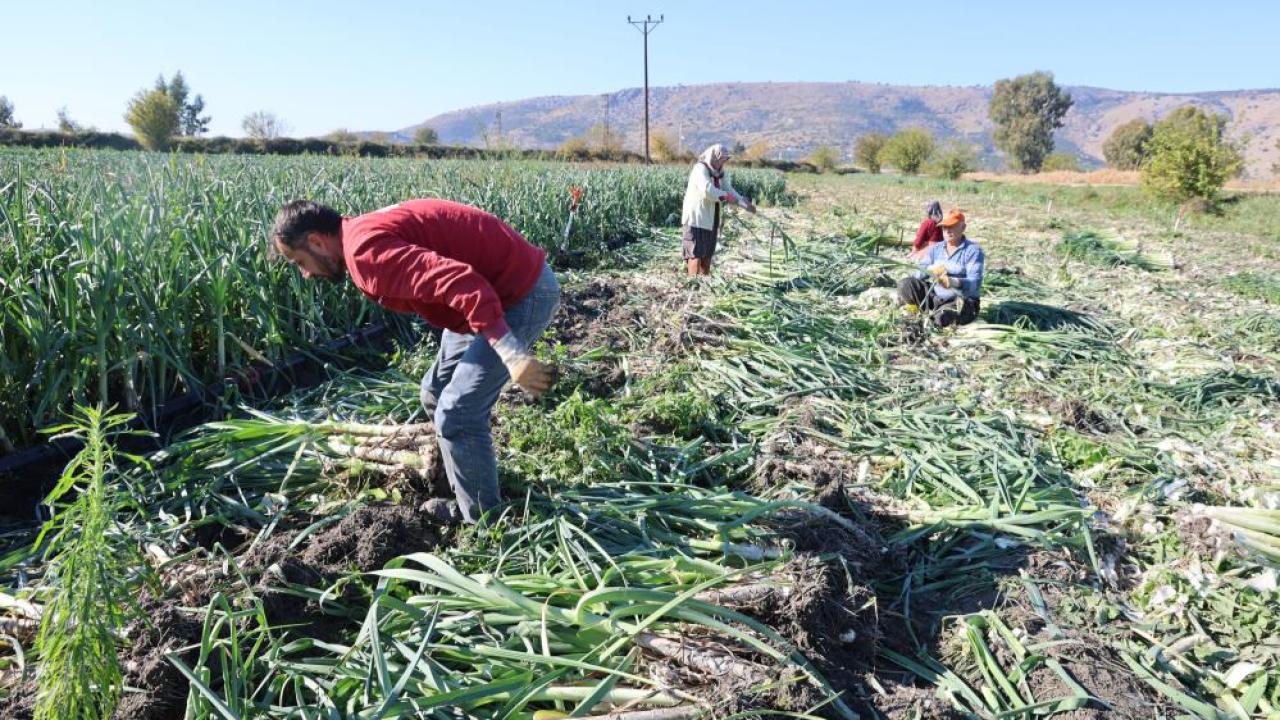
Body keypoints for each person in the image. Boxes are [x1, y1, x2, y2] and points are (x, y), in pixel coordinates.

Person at [268, 199, 561, 523]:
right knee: (434, 392)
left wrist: (511, 354)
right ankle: (465, 484)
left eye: (299, 261)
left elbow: (463, 283)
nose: (306, 274)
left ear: (316, 241)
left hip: (518, 293)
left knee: (458, 413)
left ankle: (485, 523)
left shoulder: (364, 253)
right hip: (482, 298)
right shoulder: (358, 236)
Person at [897, 209, 985, 327]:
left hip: (959, 301)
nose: (947, 231)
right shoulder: (936, 249)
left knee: (942, 318)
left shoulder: (973, 251)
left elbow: (975, 283)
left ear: (963, 227)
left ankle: (938, 316)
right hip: (936, 297)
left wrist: (952, 281)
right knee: (905, 284)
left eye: (952, 227)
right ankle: (929, 310)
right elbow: (920, 271)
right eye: (944, 228)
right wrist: (930, 270)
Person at [681, 144, 756, 276]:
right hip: (696, 217)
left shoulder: (721, 173)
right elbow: (707, 190)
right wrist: (726, 196)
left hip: (712, 218)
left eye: (725, 160)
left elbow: (729, 189)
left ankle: (705, 282)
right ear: (714, 157)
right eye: (722, 159)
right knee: (695, 253)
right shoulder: (700, 169)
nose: (723, 162)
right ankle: (692, 283)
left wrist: (745, 204)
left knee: (707, 253)